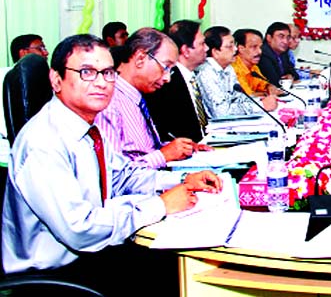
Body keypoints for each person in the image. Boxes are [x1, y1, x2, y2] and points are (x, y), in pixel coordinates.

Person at [1, 34, 222, 295]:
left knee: (180, 265)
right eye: (86, 72)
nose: (102, 83)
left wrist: (182, 182)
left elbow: (122, 177)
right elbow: (81, 229)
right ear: (56, 79)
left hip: (89, 255)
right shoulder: (43, 142)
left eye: (107, 73)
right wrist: (161, 205)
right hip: (55, 275)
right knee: (170, 277)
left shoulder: (87, 126)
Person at [97, 27, 210, 169]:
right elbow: (113, 175)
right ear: (140, 58)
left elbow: (142, 151)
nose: (167, 78)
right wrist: (163, 155)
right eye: (166, 67)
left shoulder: (137, 97)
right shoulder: (109, 105)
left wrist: (180, 148)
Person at [145, 19, 210, 143]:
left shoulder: (192, 76)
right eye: (202, 43)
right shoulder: (168, 82)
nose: (207, 48)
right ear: (186, 50)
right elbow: (169, 130)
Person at [197, 26, 278, 119]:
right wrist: (261, 106)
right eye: (229, 46)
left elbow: (239, 98)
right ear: (215, 52)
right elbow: (221, 112)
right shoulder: (207, 73)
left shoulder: (228, 68)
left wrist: (260, 102)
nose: (235, 49)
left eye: (234, 45)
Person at [258, 22, 300, 87]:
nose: (285, 41)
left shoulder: (283, 53)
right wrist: (286, 80)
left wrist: (290, 75)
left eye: (288, 37)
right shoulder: (263, 54)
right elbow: (274, 81)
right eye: (281, 37)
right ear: (269, 38)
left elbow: (295, 74)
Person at [232, 28, 272, 96]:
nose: (260, 51)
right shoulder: (234, 69)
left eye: (260, 47)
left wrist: (270, 87)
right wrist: (266, 93)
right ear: (241, 49)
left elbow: (264, 85)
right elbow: (247, 96)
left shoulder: (254, 67)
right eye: (254, 47)